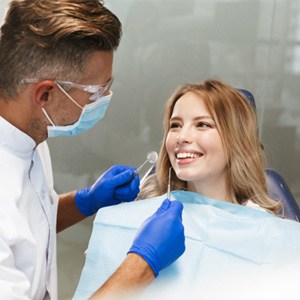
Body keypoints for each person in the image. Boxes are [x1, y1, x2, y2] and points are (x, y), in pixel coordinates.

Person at [0, 1, 185, 299]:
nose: (104, 99)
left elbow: (25, 228)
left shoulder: (30, 131)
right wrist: (142, 265)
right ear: (45, 93)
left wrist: (84, 202)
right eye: (95, 92)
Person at [74, 79, 300, 299]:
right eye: (175, 126)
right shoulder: (138, 220)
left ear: (236, 139)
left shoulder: (268, 235)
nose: (182, 137)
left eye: (203, 124)